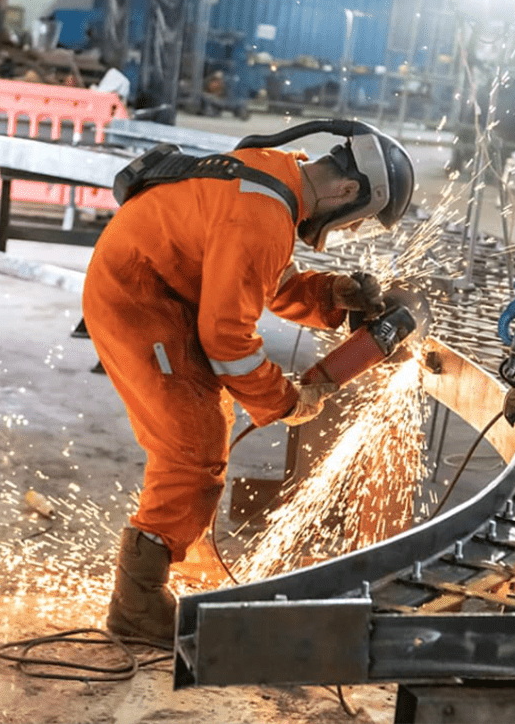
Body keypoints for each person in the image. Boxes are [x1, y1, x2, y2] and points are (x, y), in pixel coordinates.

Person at [81, 121, 415, 643]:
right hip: (140, 300)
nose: (349, 231)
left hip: (159, 286)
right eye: (357, 222)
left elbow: (264, 280)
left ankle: (154, 570)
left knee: (200, 433)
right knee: (191, 444)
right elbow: (227, 339)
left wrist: (333, 295)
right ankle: (136, 601)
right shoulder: (263, 215)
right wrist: (286, 401)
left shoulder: (274, 177)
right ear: (348, 192)